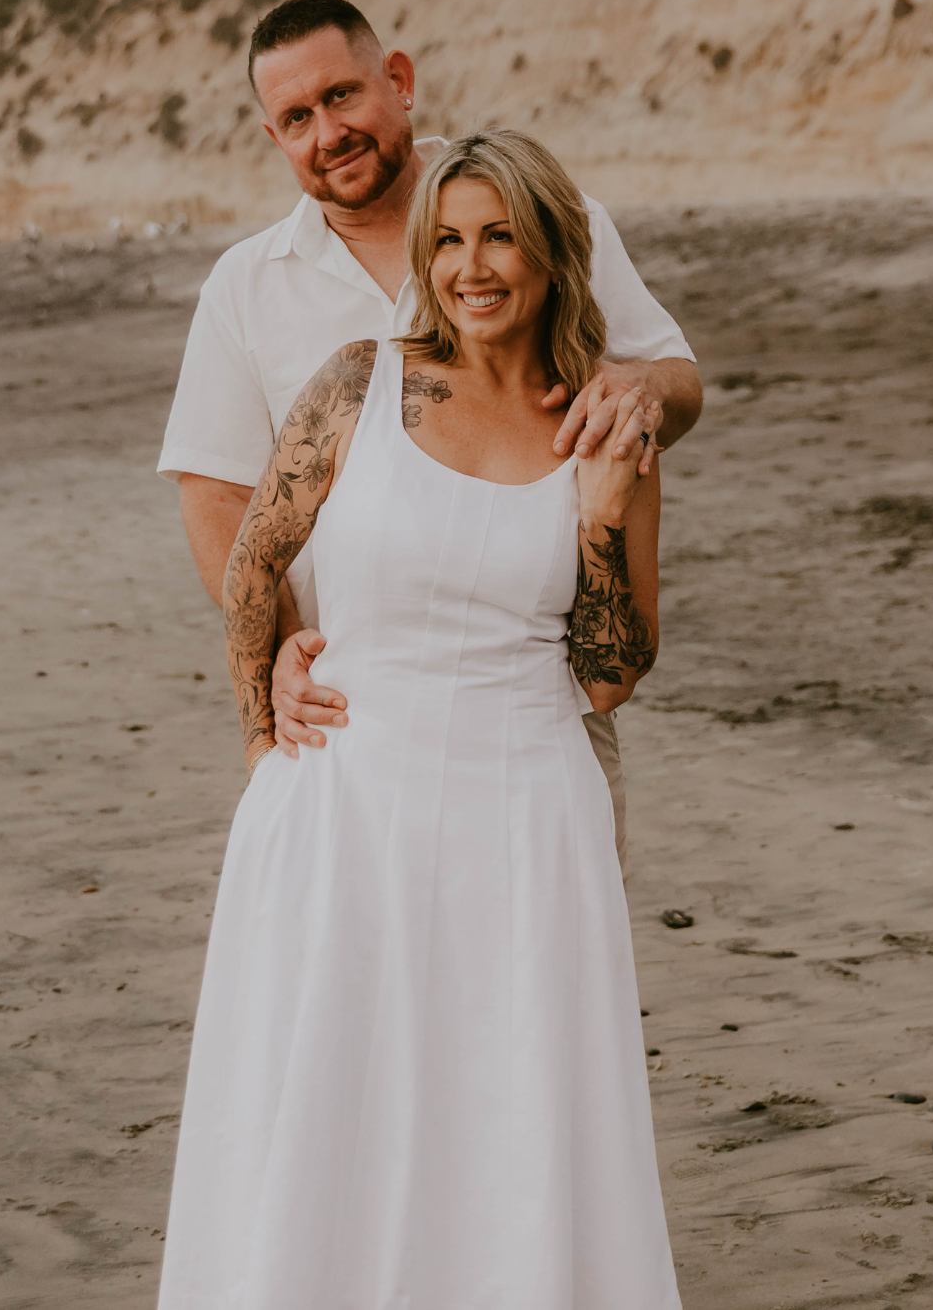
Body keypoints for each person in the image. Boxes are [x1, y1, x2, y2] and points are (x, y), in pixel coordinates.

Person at [156, 129, 680, 1308]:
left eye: (501, 237)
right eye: (447, 240)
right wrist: (261, 737)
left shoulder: (604, 423)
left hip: (529, 817)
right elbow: (252, 567)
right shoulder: (358, 383)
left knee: (510, 1119)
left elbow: (611, 675)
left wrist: (598, 516)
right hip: (344, 807)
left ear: (553, 252)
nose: (470, 266)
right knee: (330, 1111)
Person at [158, 0, 700, 879]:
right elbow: (218, 495)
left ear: (399, 81)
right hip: (352, 714)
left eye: (342, 97)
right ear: (274, 138)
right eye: (296, 118)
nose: (327, 132)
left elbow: (678, 383)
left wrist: (634, 387)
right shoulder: (247, 286)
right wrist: (281, 648)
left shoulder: (550, 219)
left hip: (542, 707)